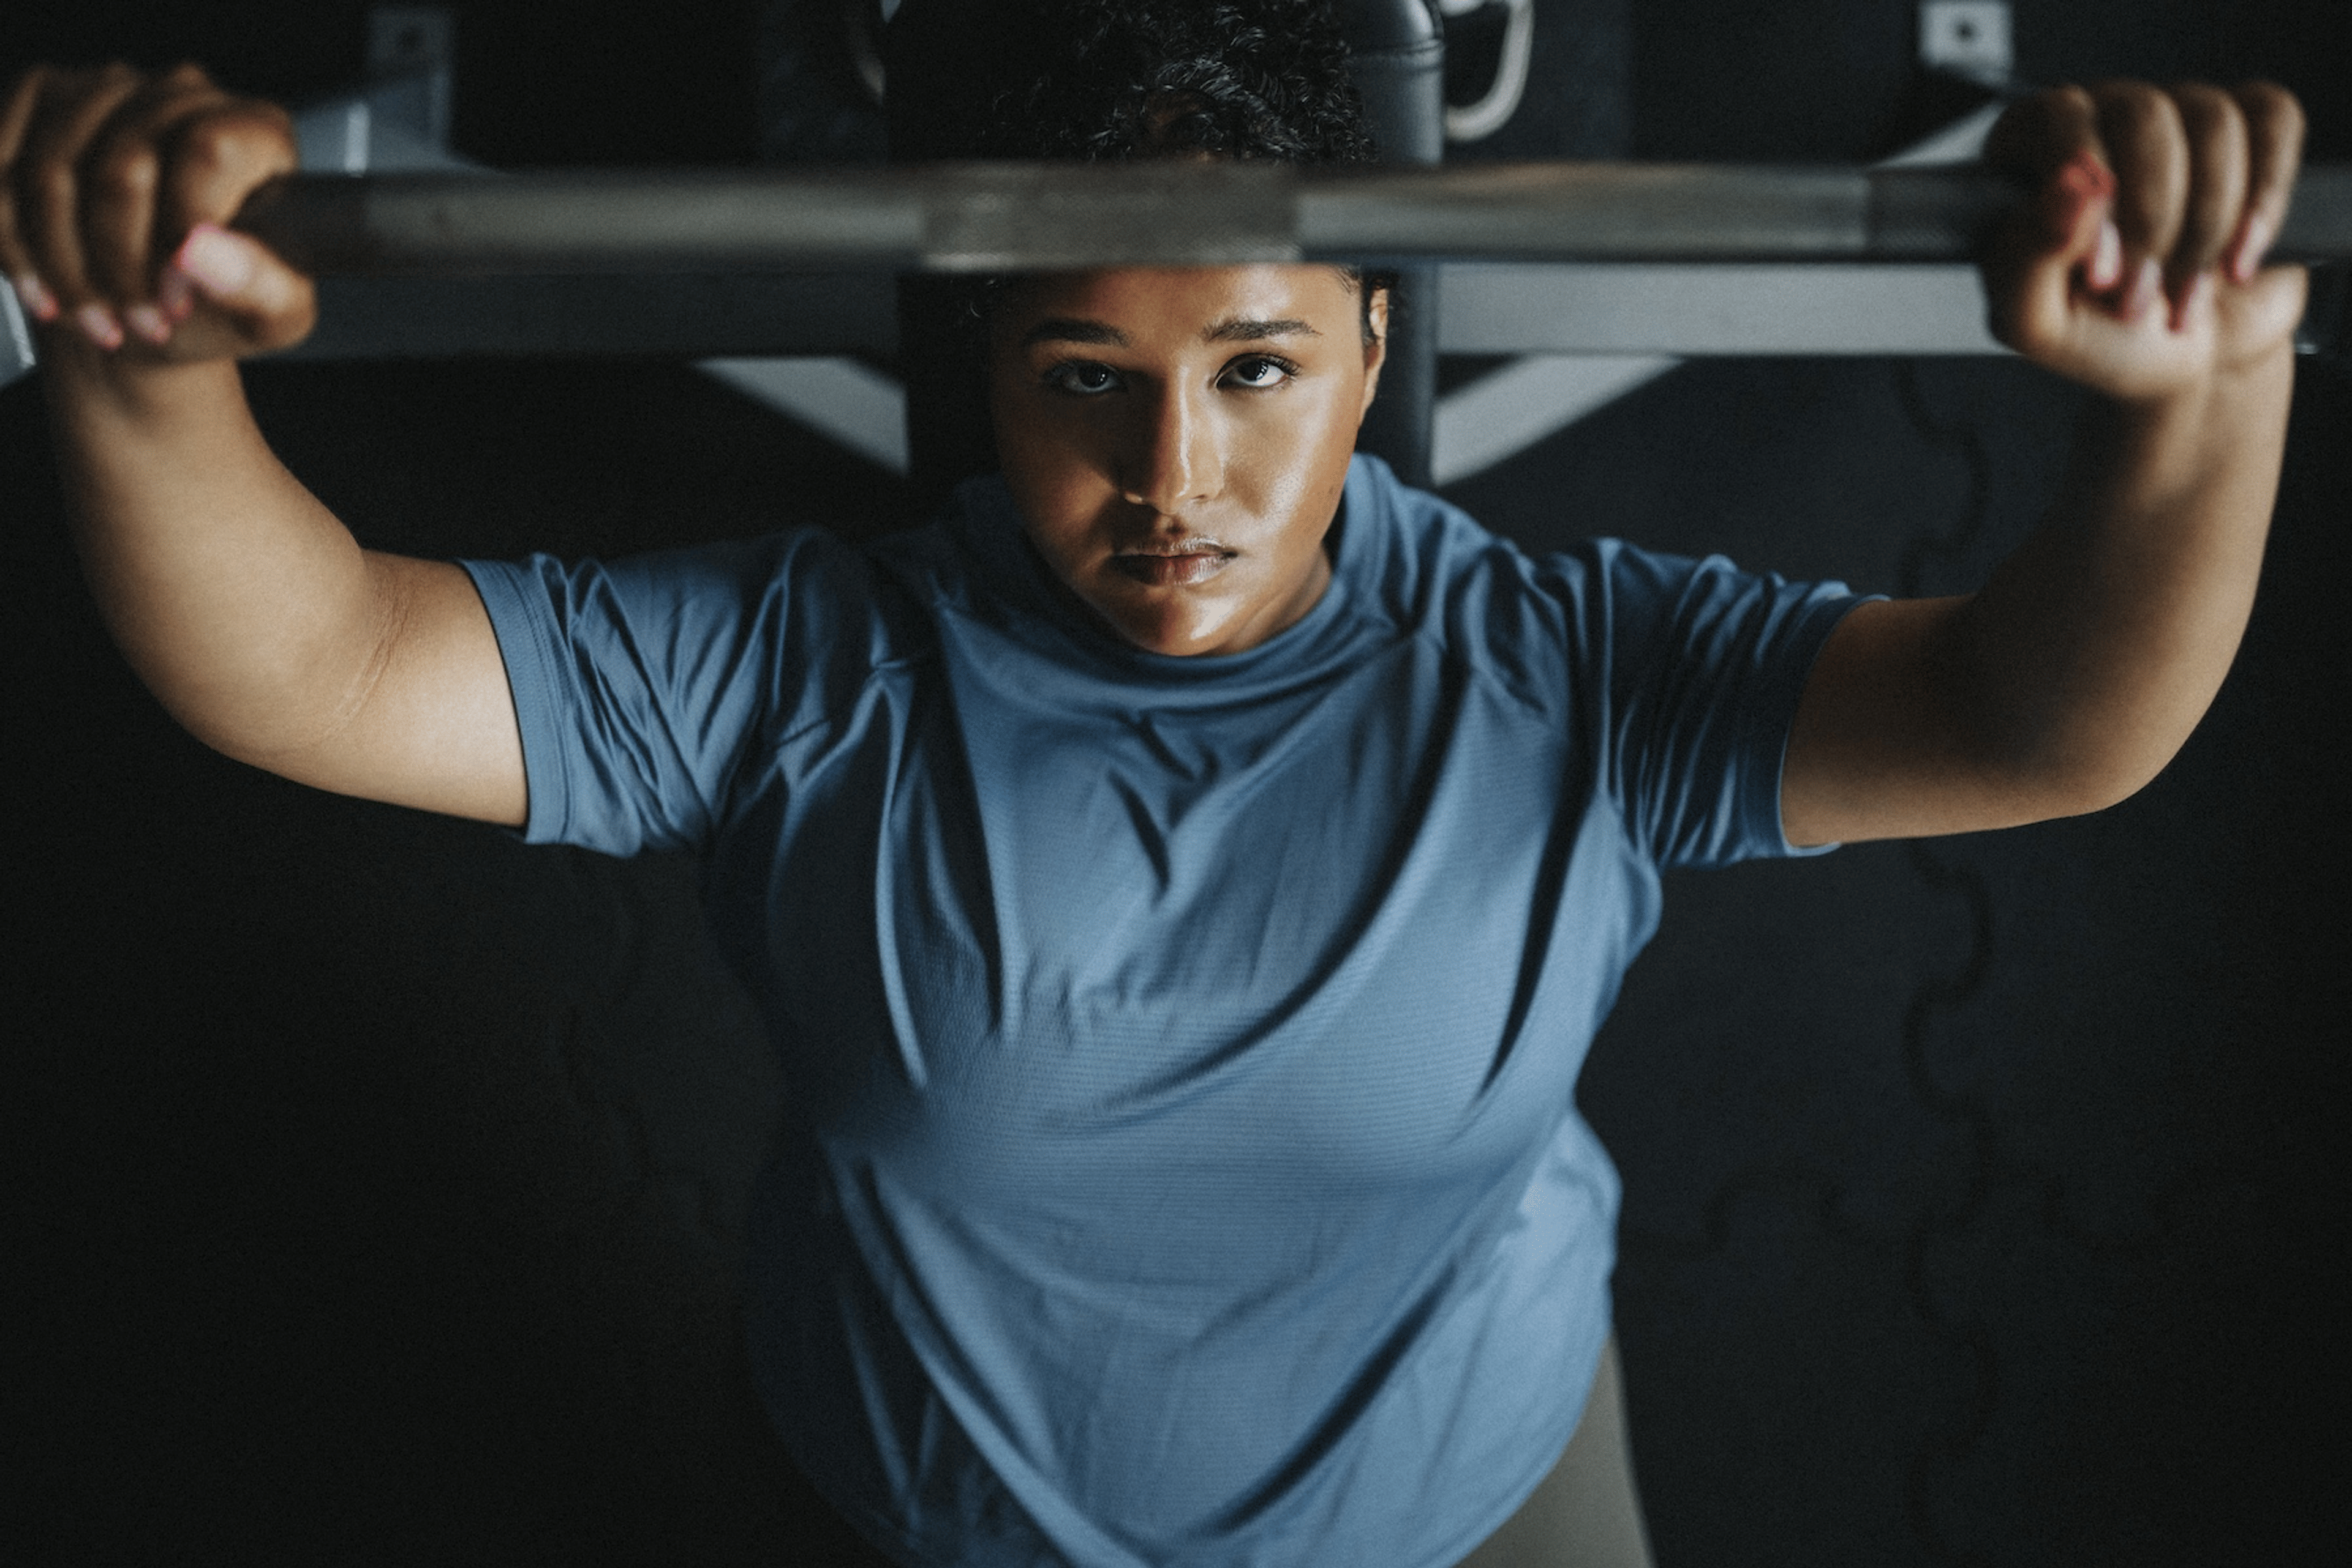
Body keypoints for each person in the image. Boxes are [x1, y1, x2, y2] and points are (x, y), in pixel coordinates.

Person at [0, 1, 2307, 1563]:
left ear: (1375, 346)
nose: (1174, 476)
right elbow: (309, 660)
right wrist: (137, 365)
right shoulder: (819, 671)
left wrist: (2197, 399)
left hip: (1475, 1501)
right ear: (987, 375)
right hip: (905, 1504)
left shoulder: (1565, 669)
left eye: (1260, 366)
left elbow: (2044, 720)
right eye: (1082, 374)